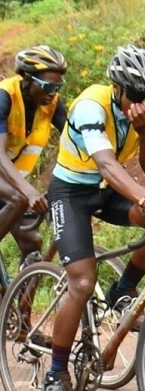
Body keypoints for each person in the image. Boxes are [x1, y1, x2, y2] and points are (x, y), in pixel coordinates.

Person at [41, 44, 145, 391]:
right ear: (116, 88)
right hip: (71, 192)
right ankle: (55, 374)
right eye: (134, 95)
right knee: (82, 282)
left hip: (105, 192)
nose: (141, 103)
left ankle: (123, 287)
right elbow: (106, 165)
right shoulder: (90, 105)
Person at [0, 45, 67, 268]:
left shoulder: (52, 103)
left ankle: (20, 302)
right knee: (18, 198)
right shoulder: (4, 96)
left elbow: (76, 138)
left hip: (10, 178)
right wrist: (28, 191)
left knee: (33, 242)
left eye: (58, 86)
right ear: (27, 78)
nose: (53, 92)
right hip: (6, 174)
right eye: (47, 86)